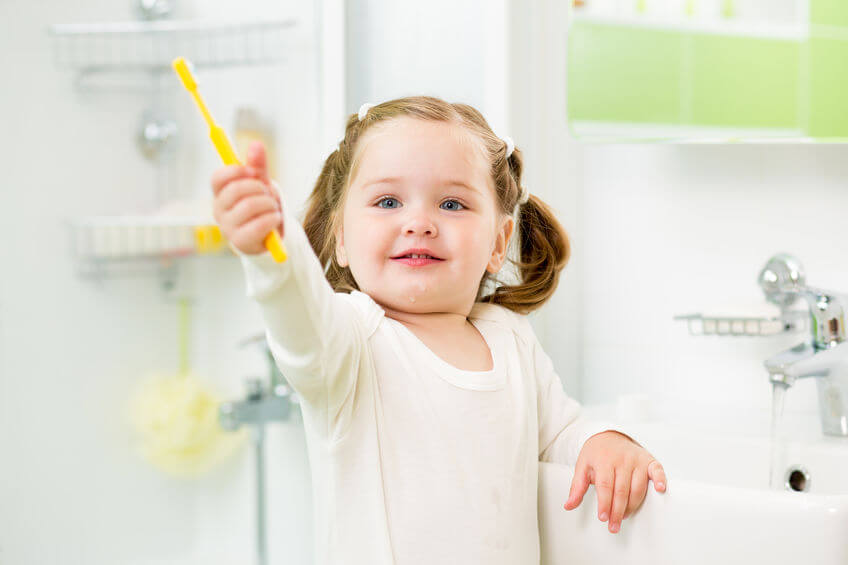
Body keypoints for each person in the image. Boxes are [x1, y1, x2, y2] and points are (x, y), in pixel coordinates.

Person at [210, 96, 667, 564]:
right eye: (388, 201)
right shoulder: (351, 342)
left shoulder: (510, 338)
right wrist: (269, 250)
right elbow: (300, 324)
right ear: (341, 238)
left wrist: (604, 441)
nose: (419, 223)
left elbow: (562, 432)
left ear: (498, 242)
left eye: (452, 203)